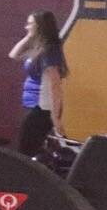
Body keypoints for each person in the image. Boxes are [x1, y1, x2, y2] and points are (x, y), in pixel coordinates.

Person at [9, 10, 68, 157]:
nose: (26, 27)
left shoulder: (49, 50)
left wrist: (55, 117)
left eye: (30, 24)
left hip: (42, 107)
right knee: (28, 148)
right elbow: (14, 55)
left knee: (24, 150)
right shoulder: (37, 47)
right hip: (33, 105)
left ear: (40, 27)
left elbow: (55, 84)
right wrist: (28, 36)